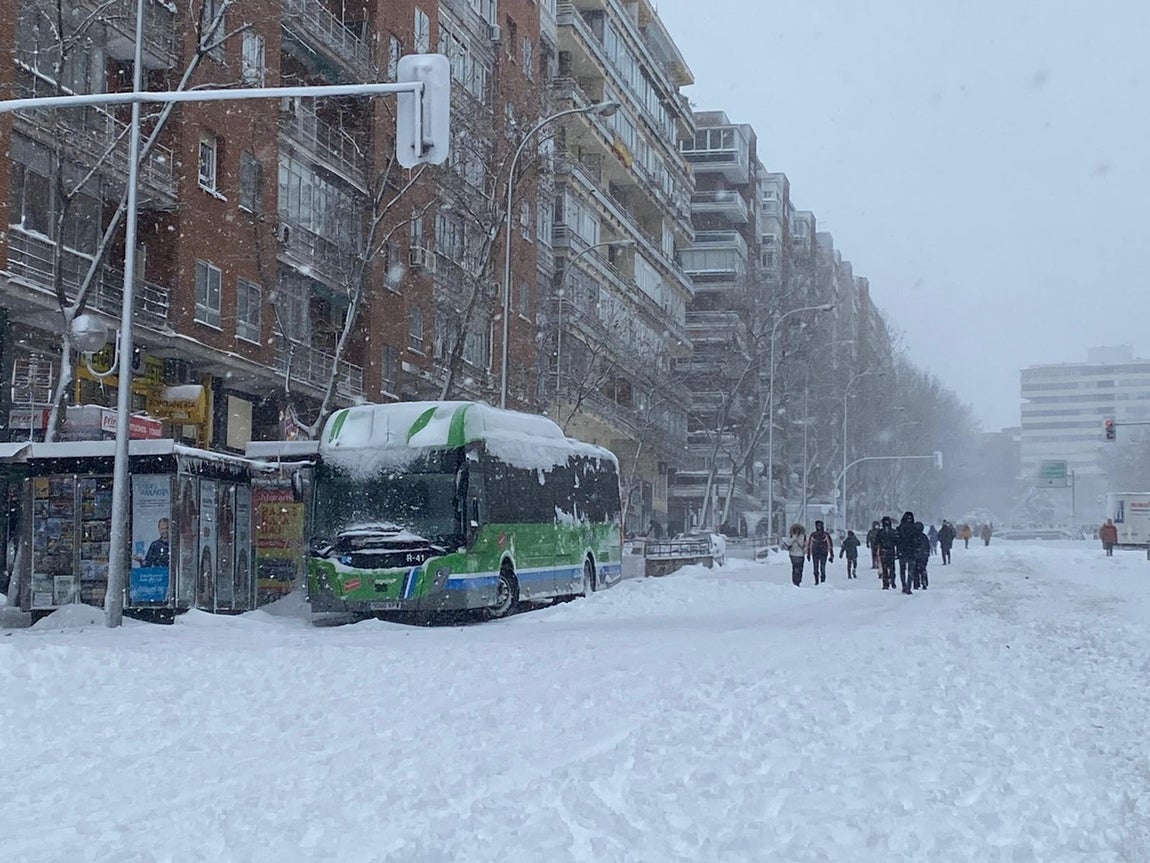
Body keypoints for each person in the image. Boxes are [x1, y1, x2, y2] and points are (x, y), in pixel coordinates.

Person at [896, 511, 918, 593]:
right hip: (911, 552)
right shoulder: (914, 529)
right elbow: (917, 541)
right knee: (910, 571)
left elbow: (897, 541)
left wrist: (898, 551)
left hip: (903, 552)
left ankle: (904, 586)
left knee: (903, 570)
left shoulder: (900, 528)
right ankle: (908, 586)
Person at [875, 515, 900, 590]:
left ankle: (889, 582)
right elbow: (877, 541)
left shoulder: (884, 532)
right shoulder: (891, 532)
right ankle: (888, 582)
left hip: (888, 551)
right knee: (887, 568)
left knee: (888, 568)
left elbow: (897, 542)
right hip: (887, 551)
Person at [806, 519, 834, 585]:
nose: (818, 526)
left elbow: (830, 545)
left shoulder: (815, 535)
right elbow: (809, 545)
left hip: (819, 553)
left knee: (820, 568)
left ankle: (820, 581)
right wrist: (808, 554)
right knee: (819, 568)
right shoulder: (823, 535)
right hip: (820, 553)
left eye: (819, 525)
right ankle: (820, 582)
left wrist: (831, 555)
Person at [913, 521, 931, 591]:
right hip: (923, 555)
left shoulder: (913, 537)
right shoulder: (924, 537)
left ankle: (916, 583)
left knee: (915, 570)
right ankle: (924, 582)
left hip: (915, 555)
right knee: (923, 569)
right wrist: (927, 554)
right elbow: (927, 546)